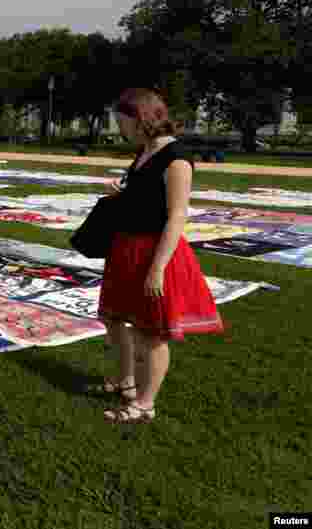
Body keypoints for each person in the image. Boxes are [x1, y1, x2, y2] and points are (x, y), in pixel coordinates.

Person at [92, 87, 221, 424]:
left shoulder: (176, 158)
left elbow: (177, 215)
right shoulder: (144, 151)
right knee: (114, 316)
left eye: (123, 123)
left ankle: (145, 405)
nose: (120, 129)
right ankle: (126, 381)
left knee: (151, 332)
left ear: (142, 119)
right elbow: (146, 196)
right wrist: (121, 192)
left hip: (155, 251)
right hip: (126, 247)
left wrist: (158, 268)